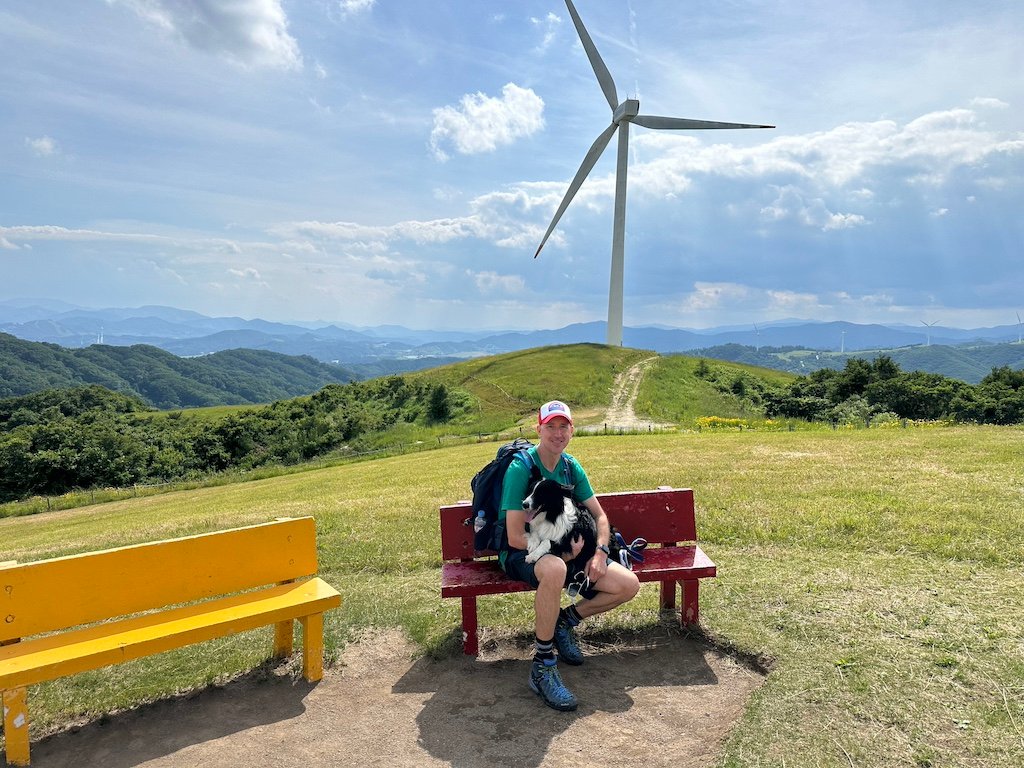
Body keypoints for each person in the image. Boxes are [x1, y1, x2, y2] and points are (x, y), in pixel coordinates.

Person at [497, 400, 640, 711]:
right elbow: (514, 536)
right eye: (551, 426)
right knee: (554, 569)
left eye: (564, 427)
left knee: (628, 585)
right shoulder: (521, 468)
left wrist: (601, 553)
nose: (558, 433)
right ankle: (543, 665)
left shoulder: (570, 467)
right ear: (539, 429)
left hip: (566, 550)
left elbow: (600, 517)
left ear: (572, 430)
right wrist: (562, 552)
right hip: (524, 552)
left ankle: (565, 622)